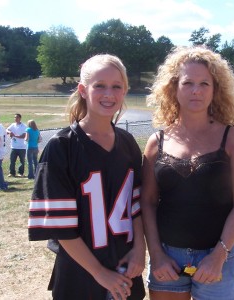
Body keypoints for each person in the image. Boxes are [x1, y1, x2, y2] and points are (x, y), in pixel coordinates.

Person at [28, 54, 146, 300]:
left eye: (116, 86)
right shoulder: (62, 147)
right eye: (99, 86)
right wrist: (100, 273)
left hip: (125, 267)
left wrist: (139, 250)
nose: (109, 94)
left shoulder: (127, 143)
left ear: (125, 91)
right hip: (80, 273)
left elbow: (135, 205)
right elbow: (61, 226)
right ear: (83, 90)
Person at [141, 46, 234, 300]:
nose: (196, 90)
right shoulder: (156, 141)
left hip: (220, 257)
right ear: (174, 87)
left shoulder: (233, 139)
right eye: (188, 82)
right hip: (167, 258)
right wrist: (157, 255)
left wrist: (219, 255)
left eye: (204, 83)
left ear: (216, 89)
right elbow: (147, 203)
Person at [6, 113, 27, 177]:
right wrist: (10, 132)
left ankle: (20, 173)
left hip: (22, 147)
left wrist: (15, 136)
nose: (16, 119)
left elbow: (23, 136)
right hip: (14, 146)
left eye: (17, 117)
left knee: (22, 161)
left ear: (20, 118)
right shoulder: (13, 125)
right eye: (15, 117)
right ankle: (12, 172)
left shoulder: (24, 126)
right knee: (12, 160)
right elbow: (7, 130)